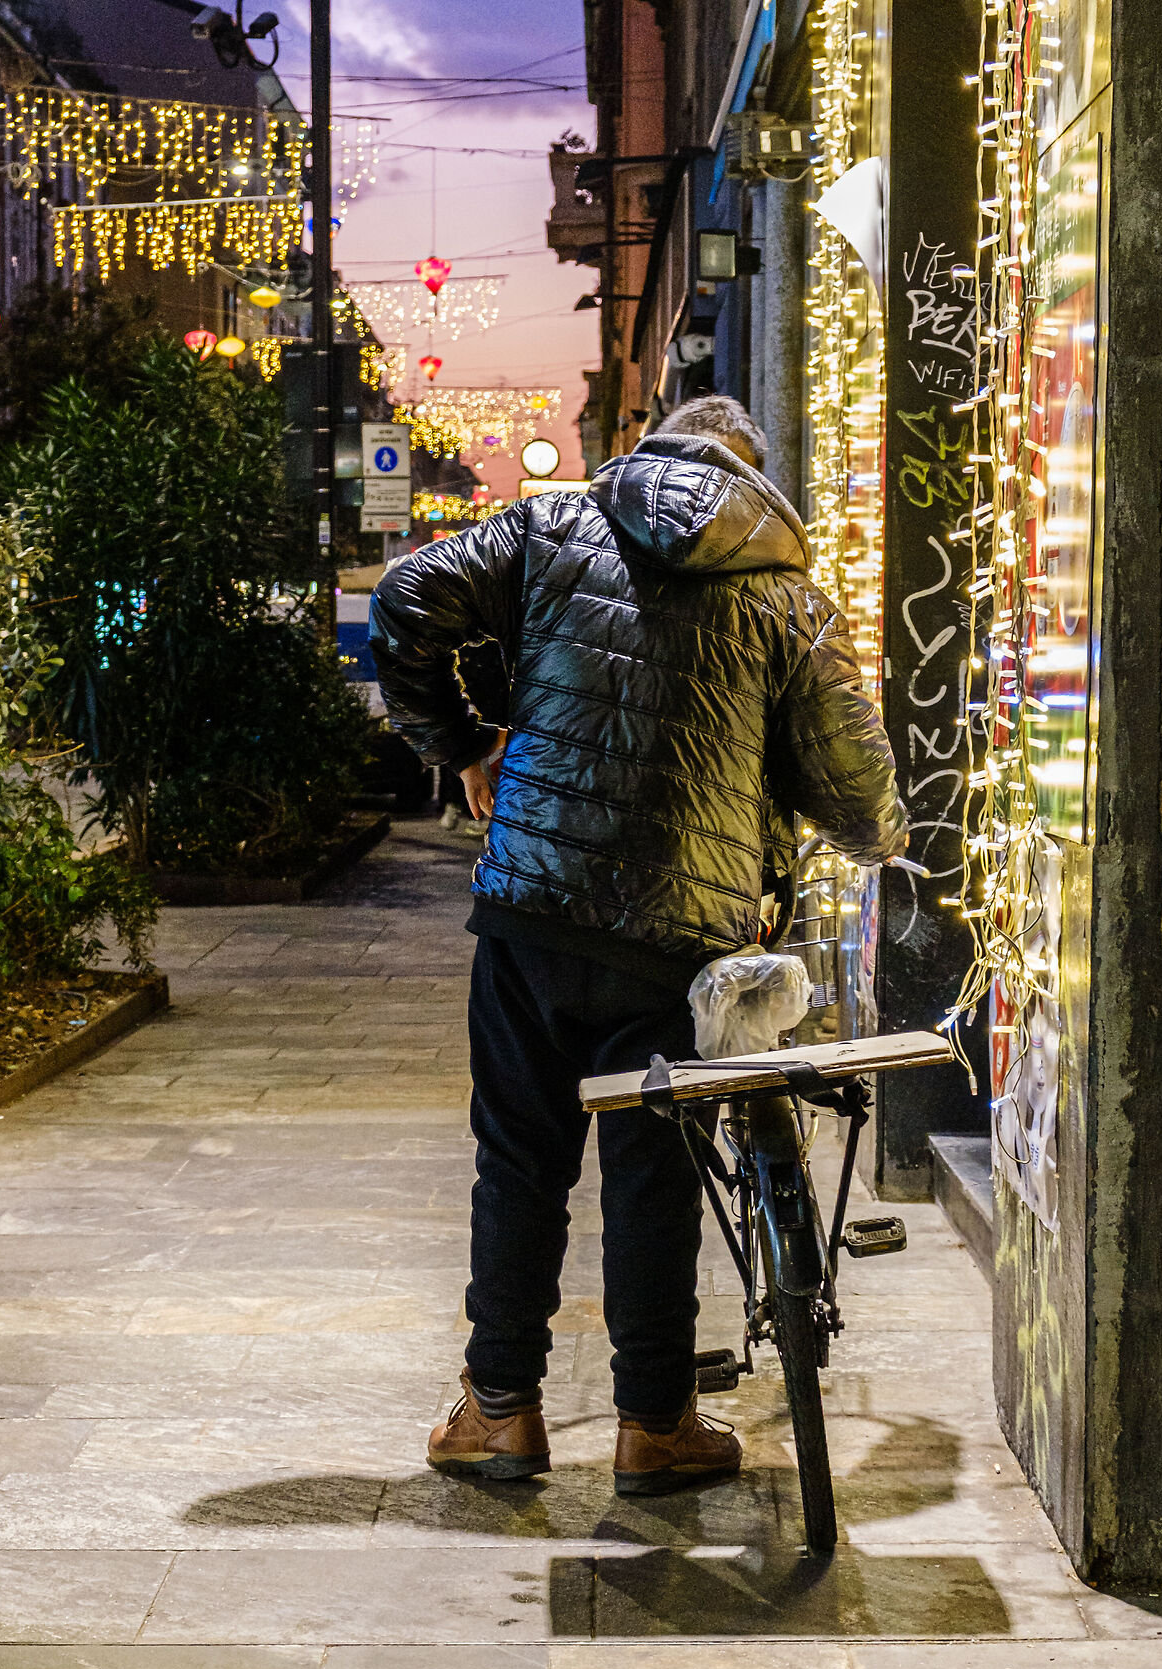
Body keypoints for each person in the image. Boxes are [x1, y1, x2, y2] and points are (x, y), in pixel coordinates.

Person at [369, 394, 907, 1492]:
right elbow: (853, 783)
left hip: (533, 902)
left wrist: (462, 743)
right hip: (680, 934)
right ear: (751, 475)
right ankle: (653, 1426)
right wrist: (873, 835)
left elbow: (406, 593)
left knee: (517, 1161)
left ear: (653, 449)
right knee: (651, 1169)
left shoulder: (552, 526)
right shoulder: (784, 592)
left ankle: (499, 1411)